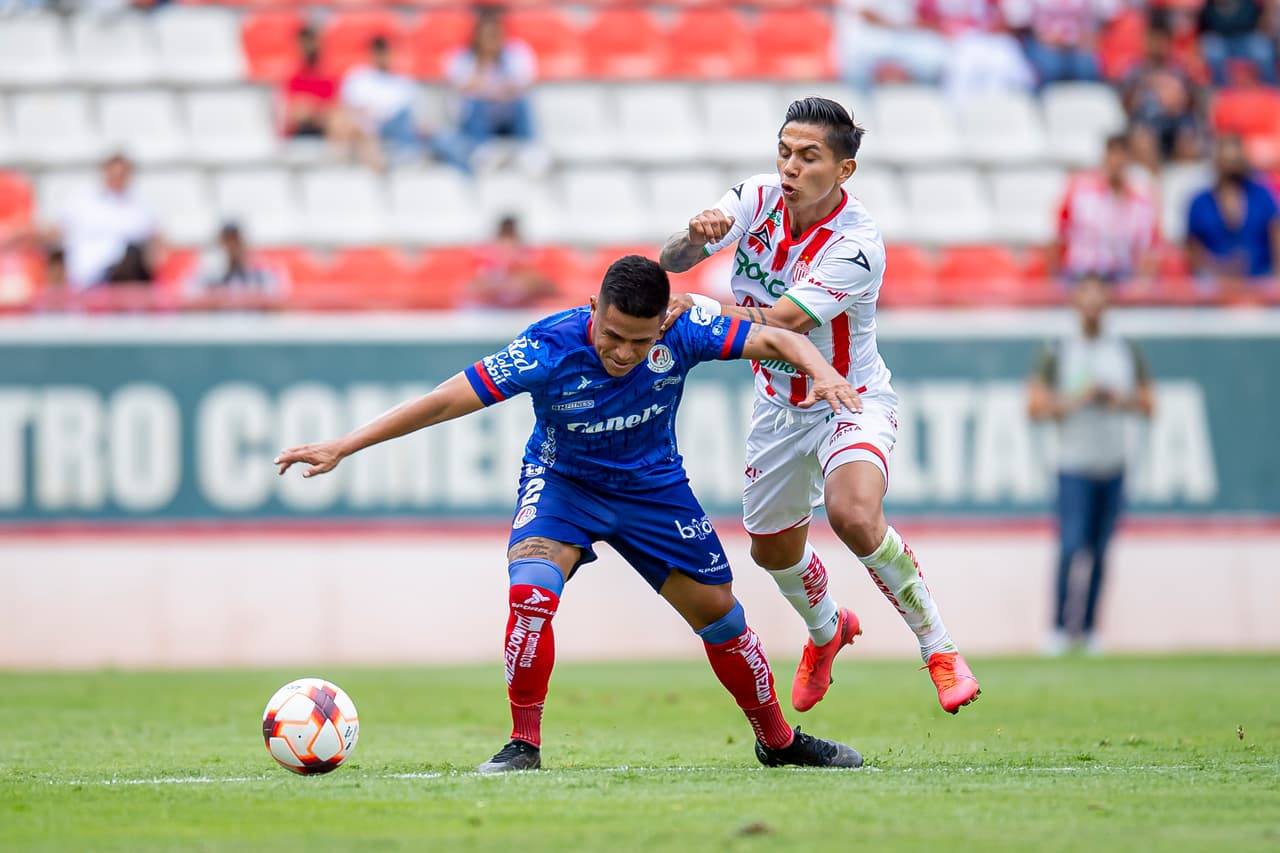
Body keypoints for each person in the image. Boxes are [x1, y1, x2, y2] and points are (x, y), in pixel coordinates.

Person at [274, 255, 865, 772]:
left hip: (653, 489)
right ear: (593, 308)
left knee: (720, 613)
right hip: (563, 484)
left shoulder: (687, 329)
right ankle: (522, 744)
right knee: (530, 592)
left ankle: (778, 742)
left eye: (640, 341)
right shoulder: (549, 345)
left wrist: (825, 371)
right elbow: (442, 400)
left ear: (663, 321)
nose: (625, 353)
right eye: (613, 335)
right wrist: (343, 445)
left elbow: (779, 338)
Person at [659, 97, 980, 715]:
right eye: (784, 152)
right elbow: (675, 261)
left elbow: (784, 321)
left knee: (853, 514)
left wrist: (695, 309)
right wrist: (692, 237)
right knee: (771, 549)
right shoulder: (753, 198)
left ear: (843, 171)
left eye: (809, 157)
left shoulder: (858, 246)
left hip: (846, 396)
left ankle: (939, 648)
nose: (790, 167)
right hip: (777, 406)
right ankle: (827, 630)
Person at [1027, 275, 1154, 655]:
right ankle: (1060, 627)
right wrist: (1076, 400)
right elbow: (1035, 405)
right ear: (1075, 303)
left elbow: (1149, 402)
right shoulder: (1059, 349)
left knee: (1100, 549)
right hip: (1074, 464)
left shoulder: (1124, 348)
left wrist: (1120, 400)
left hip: (1113, 462)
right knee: (1070, 547)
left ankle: (1090, 627)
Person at [1051, 133, 1159, 284]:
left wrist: (1141, 282)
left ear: (1129, 160)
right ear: (1104, 158)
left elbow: (1148, 248)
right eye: (1112, 155)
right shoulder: (1079, 192)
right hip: (1081, 273)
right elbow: (1059, 236)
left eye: (1121, 156)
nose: (1116, 162)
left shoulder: (1142, 201)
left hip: (1122, 275)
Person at [443, 5, 539, 173]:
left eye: (494, 35)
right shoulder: (461, 57)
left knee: (521, 102)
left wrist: (498, 87)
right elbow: (464, 86)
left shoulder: (516, 53)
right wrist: (483, 61)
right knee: (476, 102)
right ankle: (483, 150)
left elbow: (522, 84)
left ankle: (529, 149)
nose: (491, 40)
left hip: (506, 113)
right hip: (476, 118)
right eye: (486, 35)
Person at [48, 152, 162, 290]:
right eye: (115, 174)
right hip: (90, 273)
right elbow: (54, 231)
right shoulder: (82, 200)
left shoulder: (141, 204)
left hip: (130, 272)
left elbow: (156, 237)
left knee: (135, 255)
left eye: (122, 174)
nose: (118, 178)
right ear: (105, 172)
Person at [1186, 133, 1280, 283]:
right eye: (1226, 162)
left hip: (1260, 282)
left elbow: (1275, 238)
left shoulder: (1262, 196)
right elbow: (1193, 251)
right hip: (1214, 285)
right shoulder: (1200, 203)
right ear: (1217, 163)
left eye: (1235, 161)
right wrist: (1222, 269)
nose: (1231, 168)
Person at [340, 36, 431, 167]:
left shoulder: (402, 81)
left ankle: (409, 152)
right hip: (370, 125)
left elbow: (415, 114)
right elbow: (351, 106)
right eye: (378, 51)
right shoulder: (358, 77)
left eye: (385, 51)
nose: (382, 56)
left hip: (397, 125)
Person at [184, 221, 289, 310]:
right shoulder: (206, 274)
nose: (231, 247)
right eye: (227, 241)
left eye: (235, 241)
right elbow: (189, 302)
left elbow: (278, 303)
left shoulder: (262, 274)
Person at [460, 215, 555, 310]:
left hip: (521, 299)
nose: (507, 243)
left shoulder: (528, 255)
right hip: (492, 299)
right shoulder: (486, 254)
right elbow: (473, 285)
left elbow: (540, 282)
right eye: (505, 234)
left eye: (510, 235)